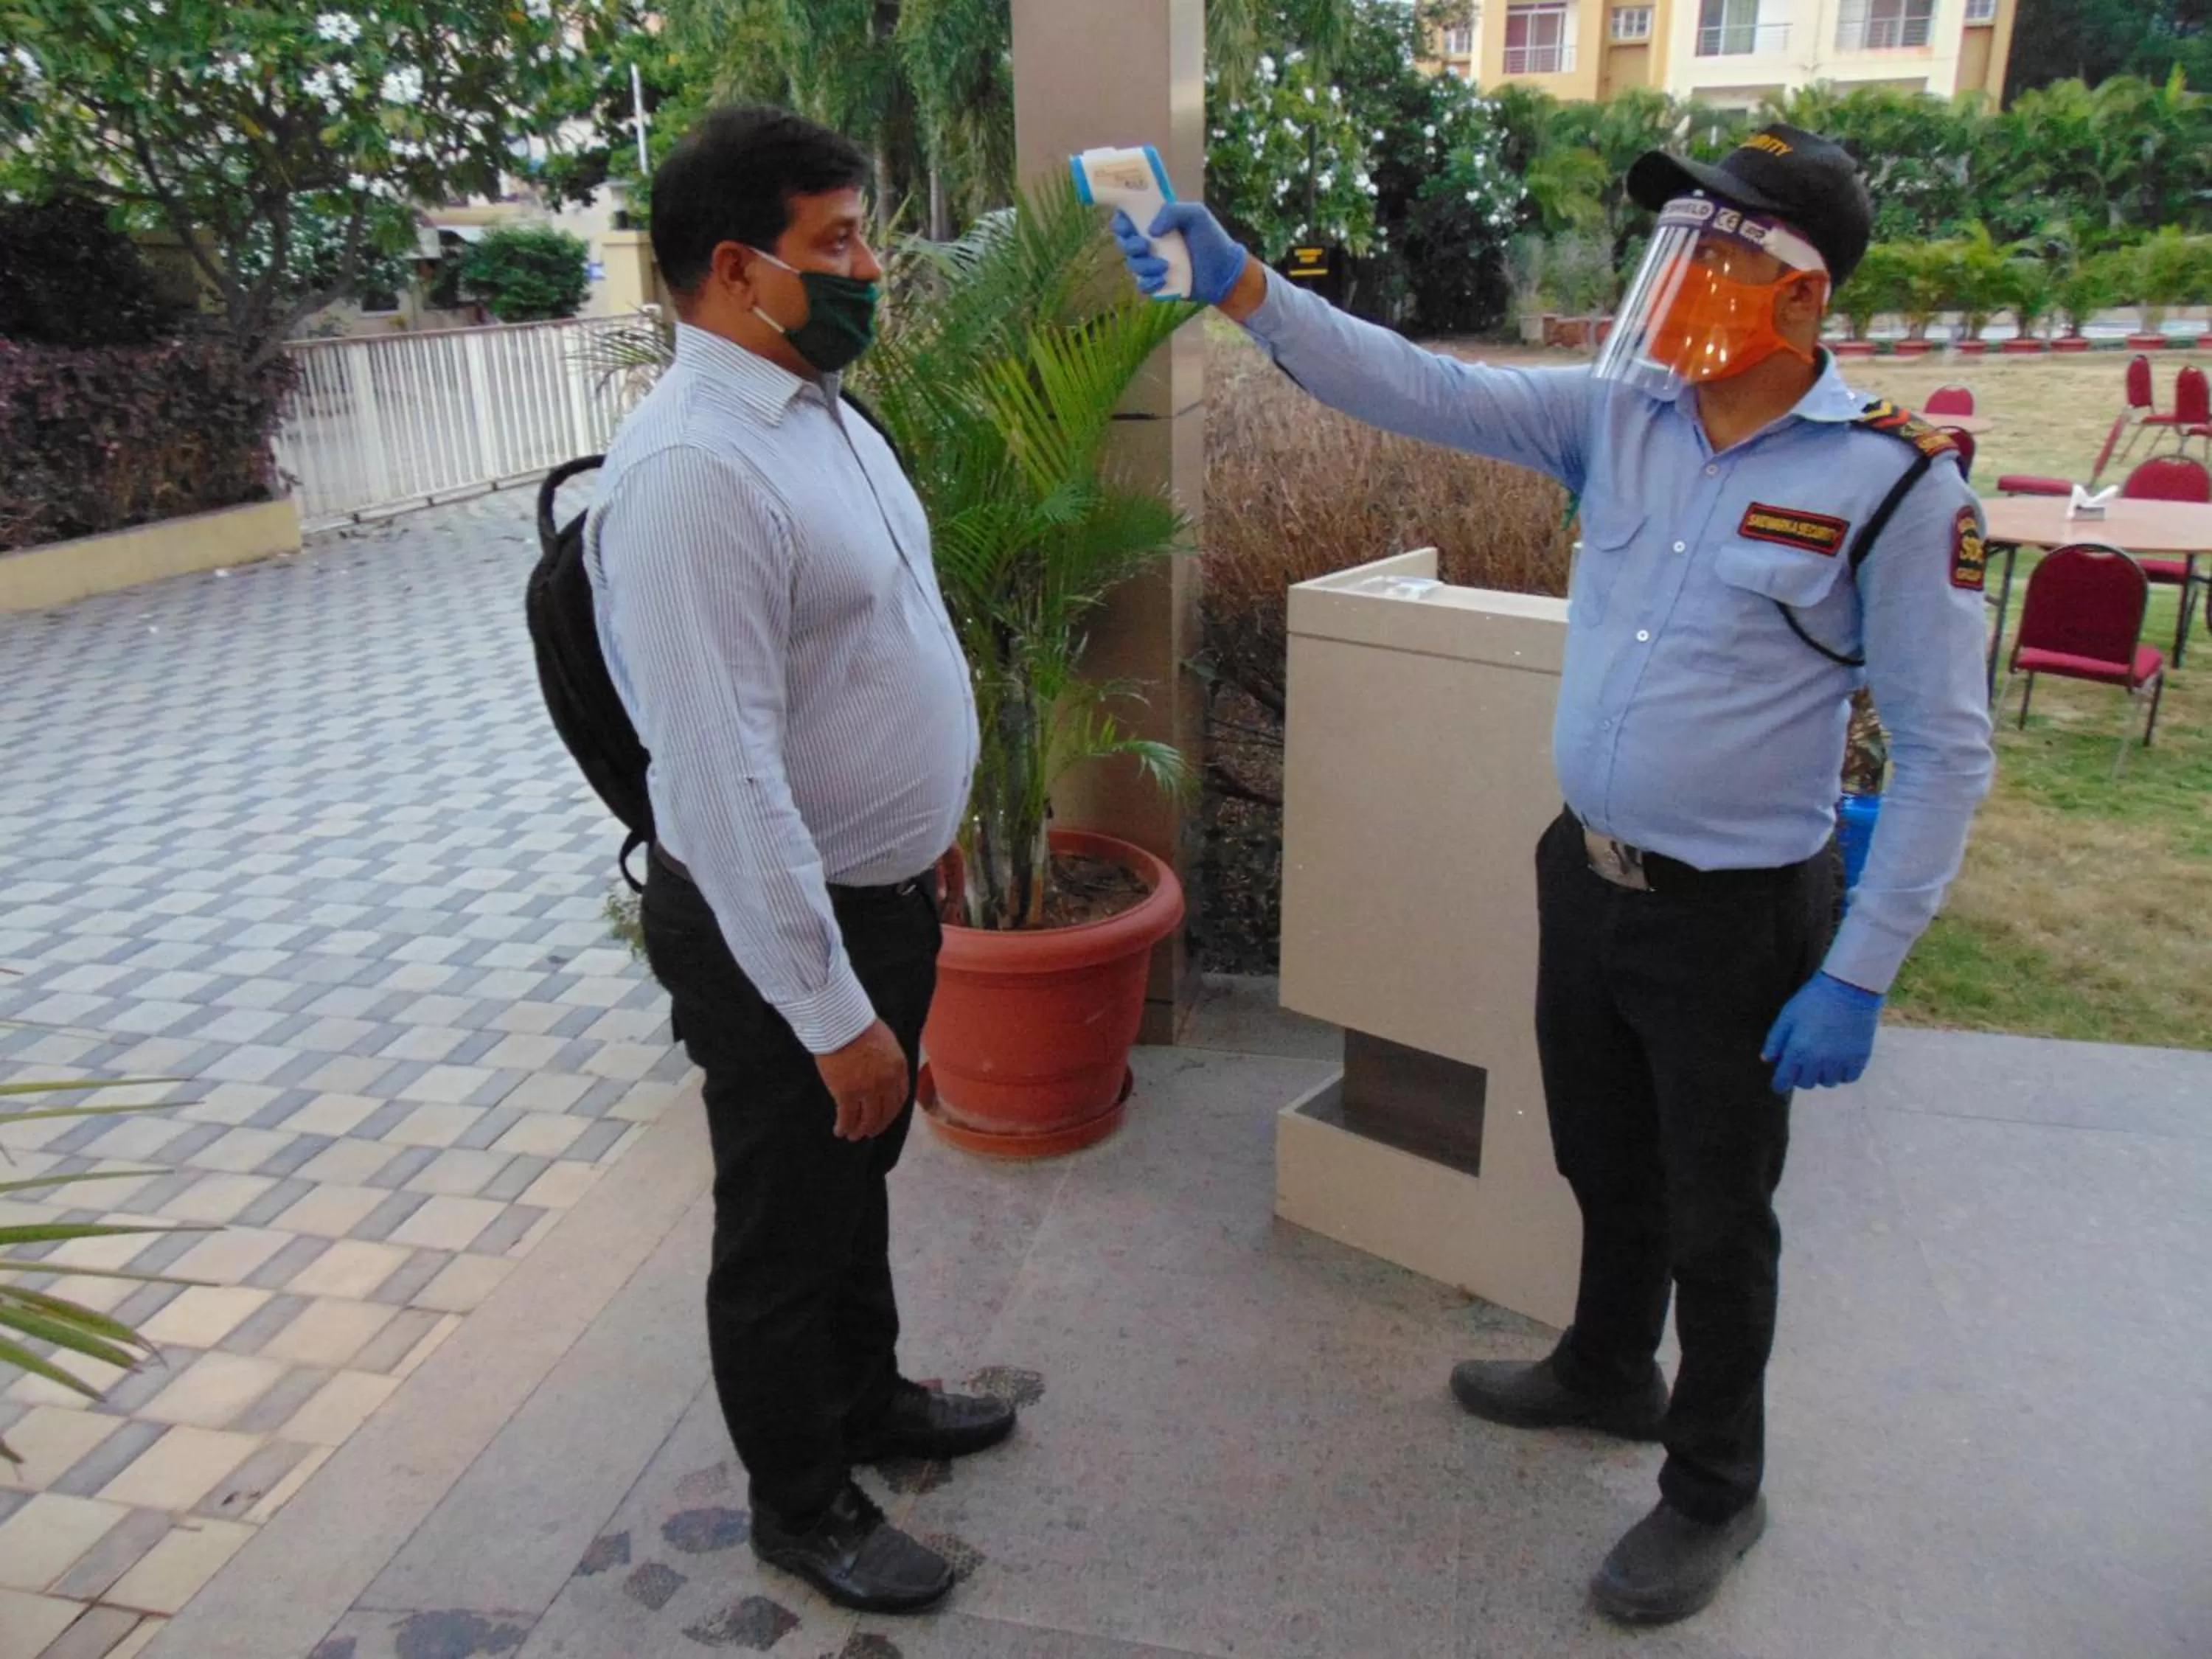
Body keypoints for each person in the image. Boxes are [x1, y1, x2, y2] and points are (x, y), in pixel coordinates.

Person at [1113, 125, 1993, 1624]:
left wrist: (1859, 970)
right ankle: (1605, 1365)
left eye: (1717, 252)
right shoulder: (1628, 414)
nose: (1680, 277)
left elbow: (1946, 747)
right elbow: (1427, 388)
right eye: (1677, 245)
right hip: (1582, 875)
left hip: (1734, 916)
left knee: (1723, 1222)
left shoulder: (1893, 490)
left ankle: (1717, 1488)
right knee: (1599, 1152)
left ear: (1800, 297)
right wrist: (1245, 286)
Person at [586, 105, 1012, 1617]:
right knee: (783, 1225)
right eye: (835, 244)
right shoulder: (698, 469)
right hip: (786, 932)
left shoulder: (817, 407)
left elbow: (869, 658)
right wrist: (830, 1009)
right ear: (734, 268)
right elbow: (717, 779)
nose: (868, 269)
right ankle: (802, 1501)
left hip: (872, 898)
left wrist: (928, 840)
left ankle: (872, 1401)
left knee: (856, 1188)